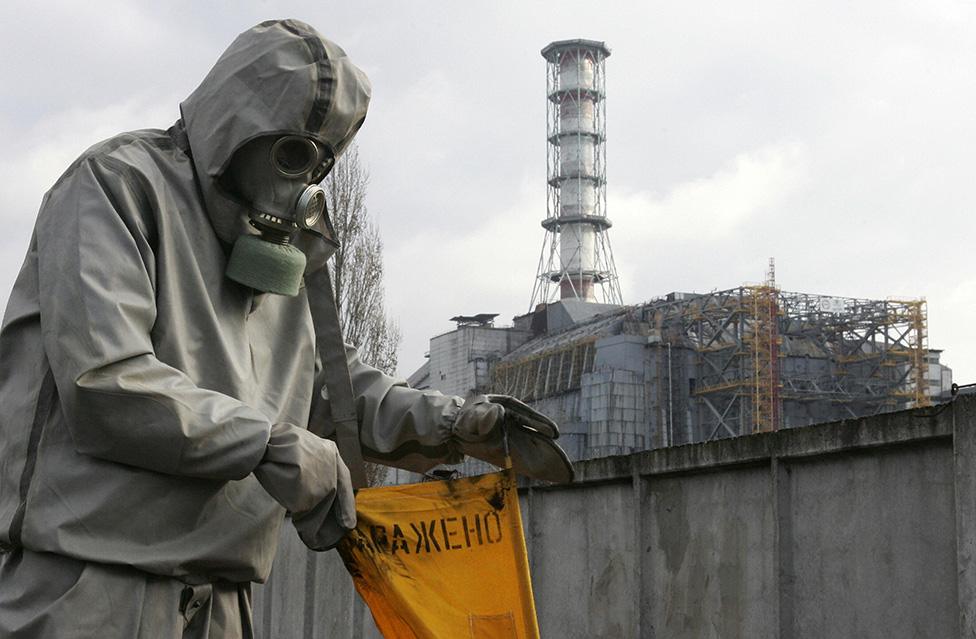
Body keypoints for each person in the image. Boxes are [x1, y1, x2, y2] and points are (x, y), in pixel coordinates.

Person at [0, 19, 570, 638]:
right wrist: (269, 443)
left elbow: (332, 392)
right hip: (91, 587)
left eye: (321, 157)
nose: (302, 176)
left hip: (220, 598)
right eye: (291, 149)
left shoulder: (279, 248)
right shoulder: (119, 184)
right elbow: (105, 382)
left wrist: (458, 424)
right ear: (232, 126)